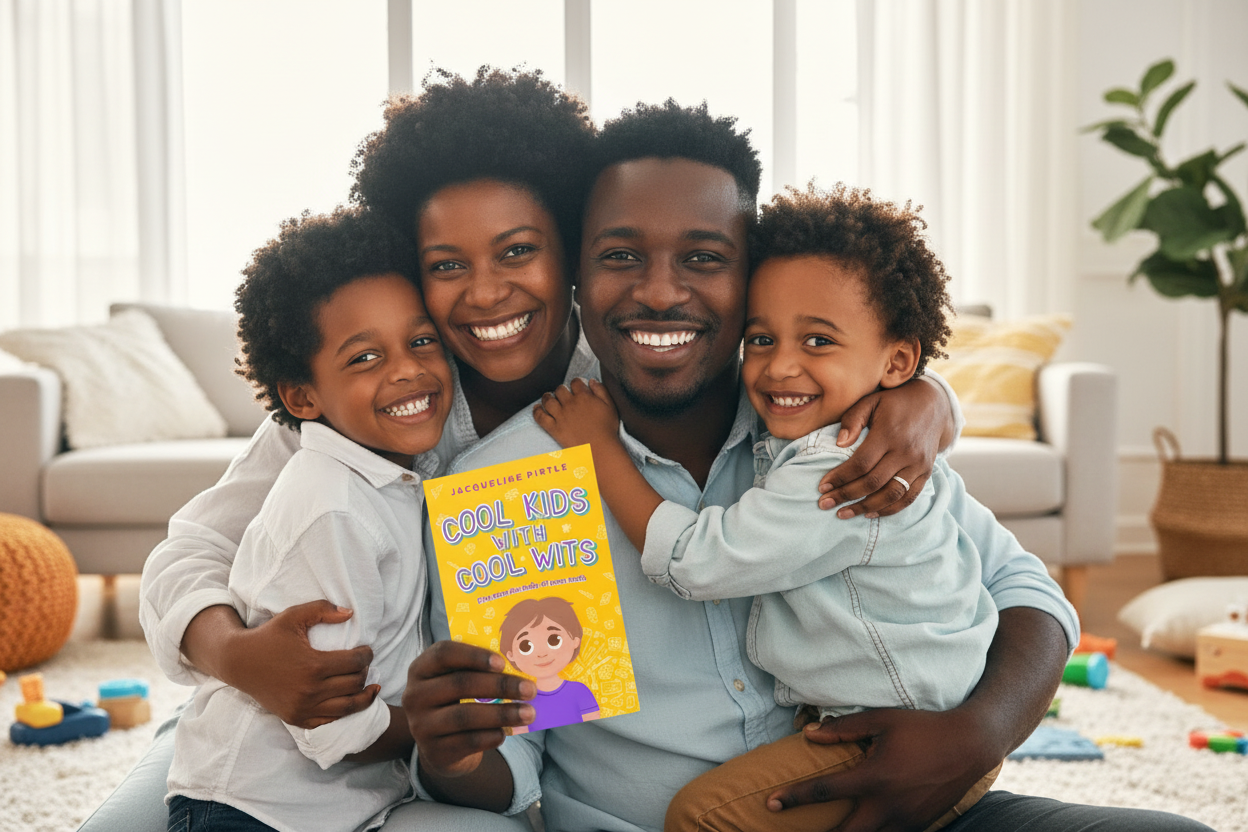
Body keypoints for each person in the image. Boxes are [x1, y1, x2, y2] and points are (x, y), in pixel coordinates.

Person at [84, 69, 954, 832]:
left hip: (406, 752)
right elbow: (192, 552)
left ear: (568, 254)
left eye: (518, 251)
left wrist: (926, 399)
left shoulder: (673, 371)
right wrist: (235, 656)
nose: (488, 292)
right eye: (447, 265)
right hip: (269, 735)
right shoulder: (358, 408)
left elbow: (971, 548)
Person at [403, 101, 1214, 832]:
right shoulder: (510, 486)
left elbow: (1023, 588)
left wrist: (976, 735)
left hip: (918, 808)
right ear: (577, 273)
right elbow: (514, 765)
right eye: (620, 256)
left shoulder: (837, 423)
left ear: (751, 272)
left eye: (704, 258)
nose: (660, 292)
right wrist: (453, 751)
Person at [534, 182, 1004, 831]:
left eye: (817, 342)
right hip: (887, 714)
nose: (780, 367)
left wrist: (597, 449)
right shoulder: (826, 432)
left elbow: (697, 560)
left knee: (699, 817)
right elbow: (536, 710)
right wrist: (928, 396)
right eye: (760, 340)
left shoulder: (847, 467)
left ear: (898, 361)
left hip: (901, 735)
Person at [163, 206, 452, 832]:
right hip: (250, 810)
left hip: (336, 806)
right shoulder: (333, 508)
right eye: (365, 357)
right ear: (302, 397)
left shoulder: (390, 475)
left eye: (421, 341)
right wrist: (437, 727)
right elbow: (333, 725)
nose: (407, 369)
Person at [499, 596, 601, 733]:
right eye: (526, 646)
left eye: (554, 639)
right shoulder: (521, 702)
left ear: (575, 641)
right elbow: (521, 736)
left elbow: (594, 728)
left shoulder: (579, 691)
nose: (541, 654)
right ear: (510, 654)